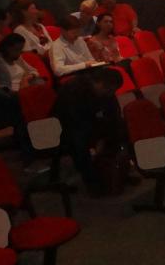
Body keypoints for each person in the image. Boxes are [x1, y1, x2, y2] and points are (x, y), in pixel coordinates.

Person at [53, 67, 127, 195]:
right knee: (79, 138)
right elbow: (74, 119)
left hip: (91, 123)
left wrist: (104, 137)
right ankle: (92, 181)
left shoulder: (106, 93)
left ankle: (117, 171)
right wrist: (96, 139)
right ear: (99, 83)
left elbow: (113, 114)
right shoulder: (73, 89)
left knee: (119, 127)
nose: (111, 94)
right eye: (109, 90)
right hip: (65, 126)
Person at [0, 33, 42, 157]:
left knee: (41, 95)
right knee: (27, 105)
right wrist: (19, 90)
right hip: (10, 94)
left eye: (21, 49)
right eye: (16, 50)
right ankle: (34, 146)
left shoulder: (18, 59)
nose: (19, 53)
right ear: (7, 48)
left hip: (26, 89)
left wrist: (25, 79)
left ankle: (46, 142)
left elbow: (34, 71)